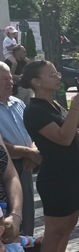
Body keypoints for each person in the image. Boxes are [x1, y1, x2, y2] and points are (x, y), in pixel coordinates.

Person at [21, 61, 79, 252]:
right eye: (51, 75)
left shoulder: (54, 105)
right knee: (54, 232)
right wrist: (75, 108)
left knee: (68, 227)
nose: (58, 77)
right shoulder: (35, 110)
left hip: (72, 173)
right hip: (55, 178)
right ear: (36, 82)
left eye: (57, 73)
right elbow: (63, 138)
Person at [0, 65, 38, 236]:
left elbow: (33, 132)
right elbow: (1, 146)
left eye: (10, 78)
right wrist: (27, 152)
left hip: (26, 164)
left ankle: (27, 247)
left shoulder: (18, 103)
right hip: (6, 166)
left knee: (27, 211)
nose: (10, 82)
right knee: (8, 215)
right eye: (3, 79)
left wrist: (33, 150)